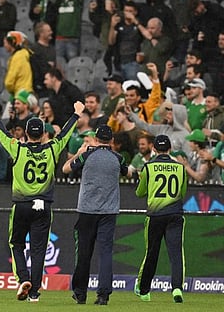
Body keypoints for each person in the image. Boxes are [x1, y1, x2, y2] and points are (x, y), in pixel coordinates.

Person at [0, 96, 85, 302]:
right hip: (44, 206)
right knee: (39, 250)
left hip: (21, 205)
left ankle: (23, 279)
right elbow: (65, 135)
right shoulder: (52, 148)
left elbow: (0, 131)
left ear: (26, 132)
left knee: (16, 243)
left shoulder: (17, 148)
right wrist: (76, 113)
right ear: (44, 134)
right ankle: (35, 292)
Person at [63, 125, 128, 305]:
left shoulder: (87, 155)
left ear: (96, 139)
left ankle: (80, 293)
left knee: (84, 253)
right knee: (106, 253)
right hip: (109, 211)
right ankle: (103, 295)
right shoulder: (118, 158)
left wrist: (79, 152)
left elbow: (66, 169)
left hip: (87, 211)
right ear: (111, 141)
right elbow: (128, 171)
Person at [134, 134, 188, 303]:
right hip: (175, 214)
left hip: (155, 215)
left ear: (154, 149)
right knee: (176, 253)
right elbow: (183, 192)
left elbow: (140, 192)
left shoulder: (148, 167)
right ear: (170, 149)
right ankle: (177, 289)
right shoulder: (180, 168)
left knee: (152, 253)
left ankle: (144, 291)